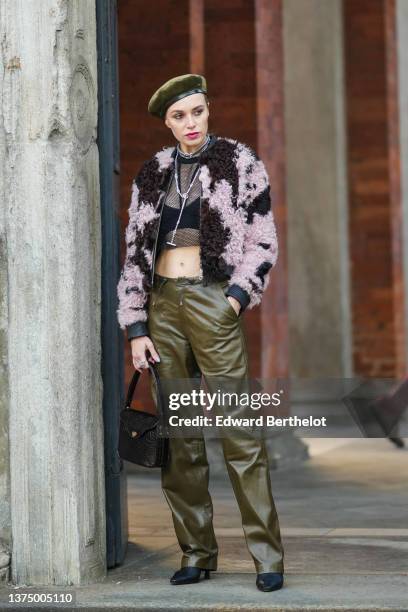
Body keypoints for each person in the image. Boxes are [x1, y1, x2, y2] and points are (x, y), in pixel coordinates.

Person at [116, 74, 285, 592]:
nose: (190, 124)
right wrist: (137, 326)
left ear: (208, 111)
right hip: (163, 305)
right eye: (178, 117)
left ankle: (267, 558)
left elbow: (262, 238)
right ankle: (197, 551)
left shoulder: (239, 162)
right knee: (180, 436)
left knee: (239, 431)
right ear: (167, 123)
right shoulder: (152, 174)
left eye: (196, 112)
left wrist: (236, 297)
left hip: (215, 302)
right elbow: (134, 256)